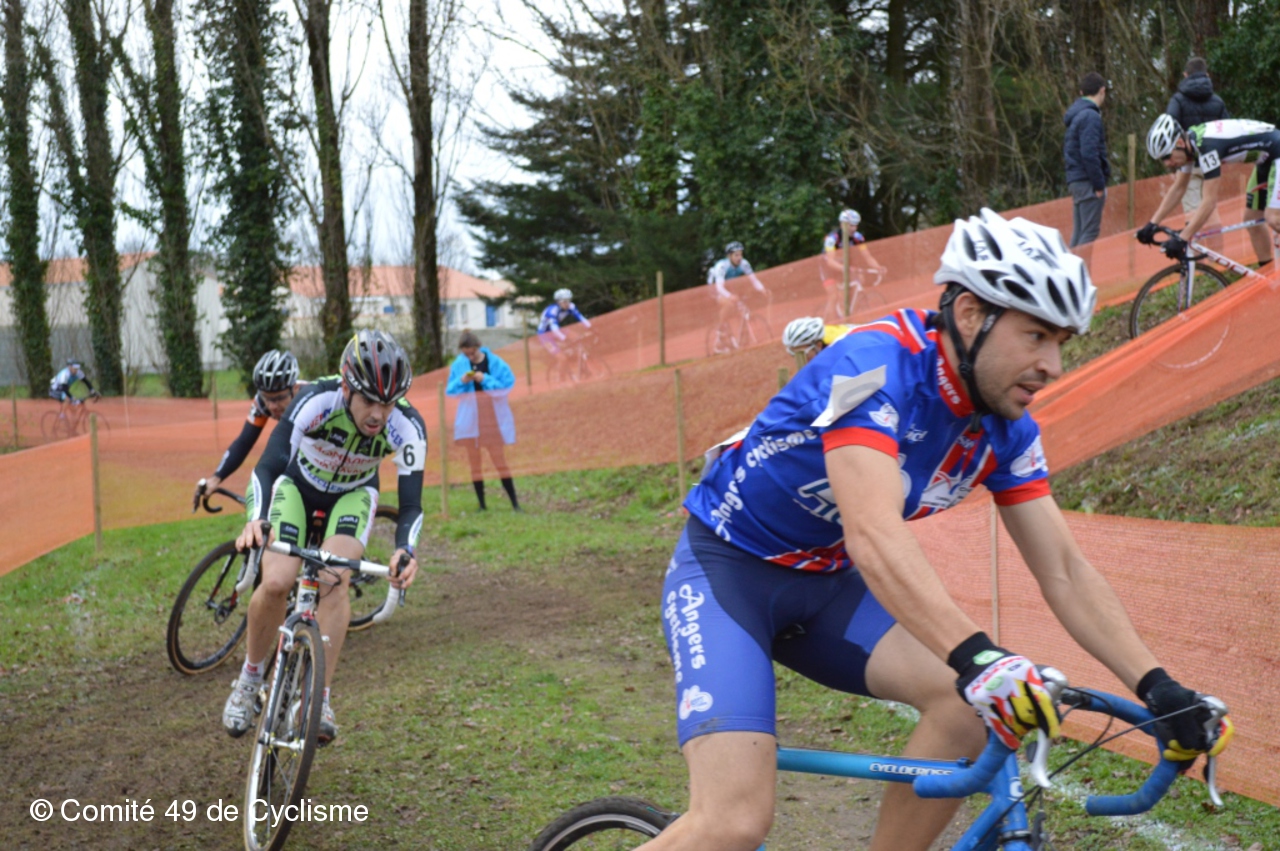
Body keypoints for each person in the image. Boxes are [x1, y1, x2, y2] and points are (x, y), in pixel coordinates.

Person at [643, 208, 1232, 851]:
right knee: (731, 823)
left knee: (969, 704)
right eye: (1037, 336)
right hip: (729, 576)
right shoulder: (875, 367)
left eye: (1062, 341)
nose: (1053, 364)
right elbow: (874, 534)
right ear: (972, 315)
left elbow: (1064, 571)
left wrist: (1158, 687)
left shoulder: (1006, 429)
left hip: (828, 587)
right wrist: (979, 657)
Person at [224, 330, 424, 744]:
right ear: (347, 388)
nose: (379, 414)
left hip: (353, 494)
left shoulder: (408, 427)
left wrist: (405, 549)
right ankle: (249, 679)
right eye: (369, 400)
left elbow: (410, 505)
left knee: (335, 580)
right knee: (276, 581)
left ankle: (318, 698)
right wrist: (257, 520)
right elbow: (269, 465)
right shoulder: (316, 399)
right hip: (297, 487)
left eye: (388, 403)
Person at [1140, 114, 1280, 267]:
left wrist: (1183, 238)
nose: (1167, 163)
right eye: (1163, 159)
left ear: (1179, 143)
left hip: (1276, 152)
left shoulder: (1207, 148)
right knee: (1252, 219)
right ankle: (1270, 275)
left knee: (1273, 217)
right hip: (1266, 159)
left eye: (1167, 156)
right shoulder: (1189, 147)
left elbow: (1209, 202)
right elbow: (1179, 188)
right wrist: (1152, 223)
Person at [193, 349, 301, 509]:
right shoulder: (261, 404)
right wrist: (216, 478)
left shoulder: (311, 401)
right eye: (267, 398)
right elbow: (244, 442)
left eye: (279, 398)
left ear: (295, 389)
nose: (272, 406)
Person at [446, 331, 519, 512]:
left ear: (478, 347)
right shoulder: (459, 365)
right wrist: (462, 380)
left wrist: (485, 379)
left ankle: (515, 503)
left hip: (492, 420)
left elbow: (506, 386)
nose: (470, 357)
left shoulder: (495, 362)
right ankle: (482, 505)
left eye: (472, 353)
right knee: (475, 464)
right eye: (466, 354)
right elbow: (450, 390)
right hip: (470, 422)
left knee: (499, 461)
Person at [1166, 57, 1230, 226]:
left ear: (1185, 75)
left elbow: (1170, 129)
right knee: (1211, 210)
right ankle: (1216, 243)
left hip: (1188, 164)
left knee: (1193, 213)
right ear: (1207, 74)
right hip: (1212, 162)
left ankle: (1193, 243)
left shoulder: (1177, 101)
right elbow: (1227, 130)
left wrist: (1174, 157)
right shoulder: (1218, 101)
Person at [1063, 72, 1110, 247]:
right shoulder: (1090, 116)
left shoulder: (1077, 115)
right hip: (1087, 181)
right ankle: (1080, 265)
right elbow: (1089, 153)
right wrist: (1098, 184)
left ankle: (1071, 264)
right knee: (1089, 232)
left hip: (1076, 179)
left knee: (1079, 232)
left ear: (1082, 92)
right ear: (1102, 91)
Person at [820, 209, 885, 319]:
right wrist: (847, 268)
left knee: (860, 280)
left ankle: (849, 312)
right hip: (828, 268)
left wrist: (878, 267)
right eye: (851, 225)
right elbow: (830, 262)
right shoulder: (832, 239)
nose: (854, 228)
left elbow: (867, 256)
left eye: (856, 225)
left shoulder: (858, 237)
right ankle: (828, 322)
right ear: (842, 224)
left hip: (845, 265)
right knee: (833, 296)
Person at [707, 241, 768, 352]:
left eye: (741, 254)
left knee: (741, 306)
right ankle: (721, 332)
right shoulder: (722, 266)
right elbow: (719, 287)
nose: (739, 257)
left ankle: (740, 339)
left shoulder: (744, 264)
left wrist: (762, 289)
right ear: (729, 256)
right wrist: (730, 296)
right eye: (736, 255)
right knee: (729, 304)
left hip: (728, 286)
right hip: (715, 287)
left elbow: (753, 280)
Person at [538, 288, 592, 375]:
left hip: (558, 330)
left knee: (579, 338)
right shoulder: (552, 311)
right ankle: (561, 379)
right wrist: (564, 338)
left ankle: (583, 365)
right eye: (565, 301)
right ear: (558, 302)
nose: (567, 303)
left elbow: (581, 318)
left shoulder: (571, 306)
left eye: (569, 300)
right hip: (545, 335)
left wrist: (590, 328)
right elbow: (554, 329)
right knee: (562, 358)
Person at [781, 316, 852, 364]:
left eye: (803, 354)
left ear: (818, 345)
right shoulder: (821, 347)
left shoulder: (839, 348)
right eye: (792, 354)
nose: (799, 360)